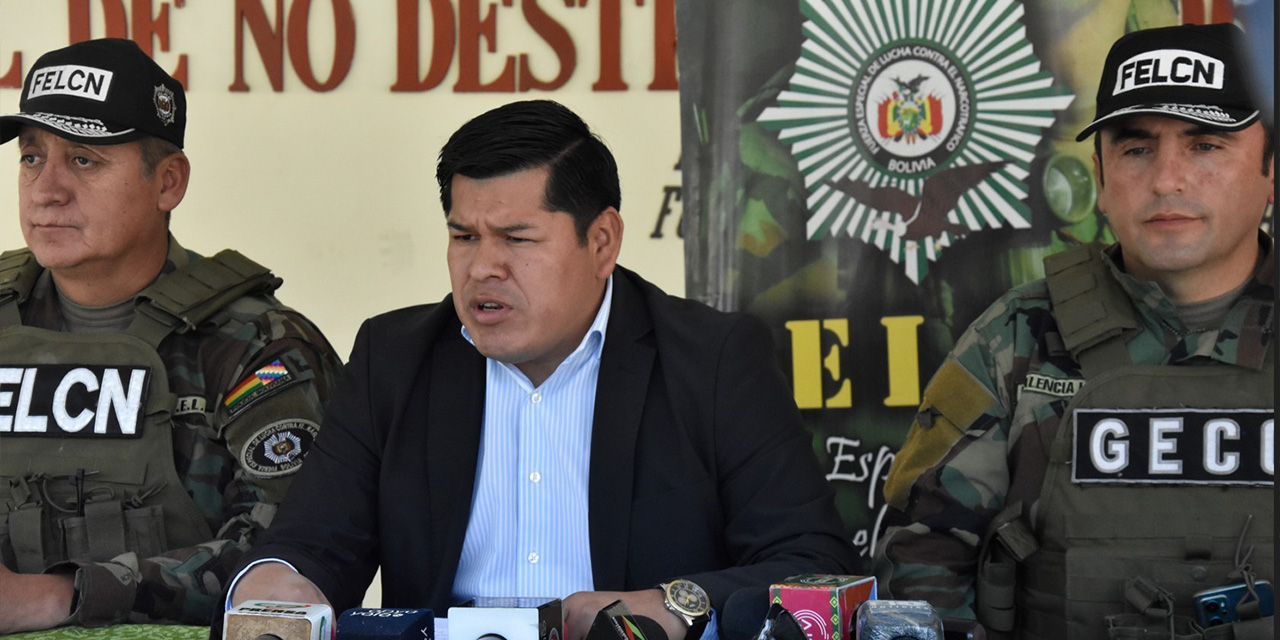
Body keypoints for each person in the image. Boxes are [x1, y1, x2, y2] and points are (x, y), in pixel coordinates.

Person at [224, 99, 858, 640]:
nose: (482, 268)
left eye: (516, 239)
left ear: (602, 242)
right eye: (464, 236)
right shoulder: (395, 356)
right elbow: (313, 544)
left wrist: (673, 603)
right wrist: (275, 580)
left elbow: (812, 565)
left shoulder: (714, 360)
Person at [873, 22, 1274, 640]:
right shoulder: (1015, 335)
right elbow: (919, 563)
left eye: (1206, 145)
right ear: (1101, 175)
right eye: (1136, 149)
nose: (1167, 179)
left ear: (1270, 168)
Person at [0, 38, 343, 632]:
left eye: (84, 160)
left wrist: (58, 595)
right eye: (32, 157)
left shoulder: (256, 343)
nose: (45, 189)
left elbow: (292, 554)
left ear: (168, 183)